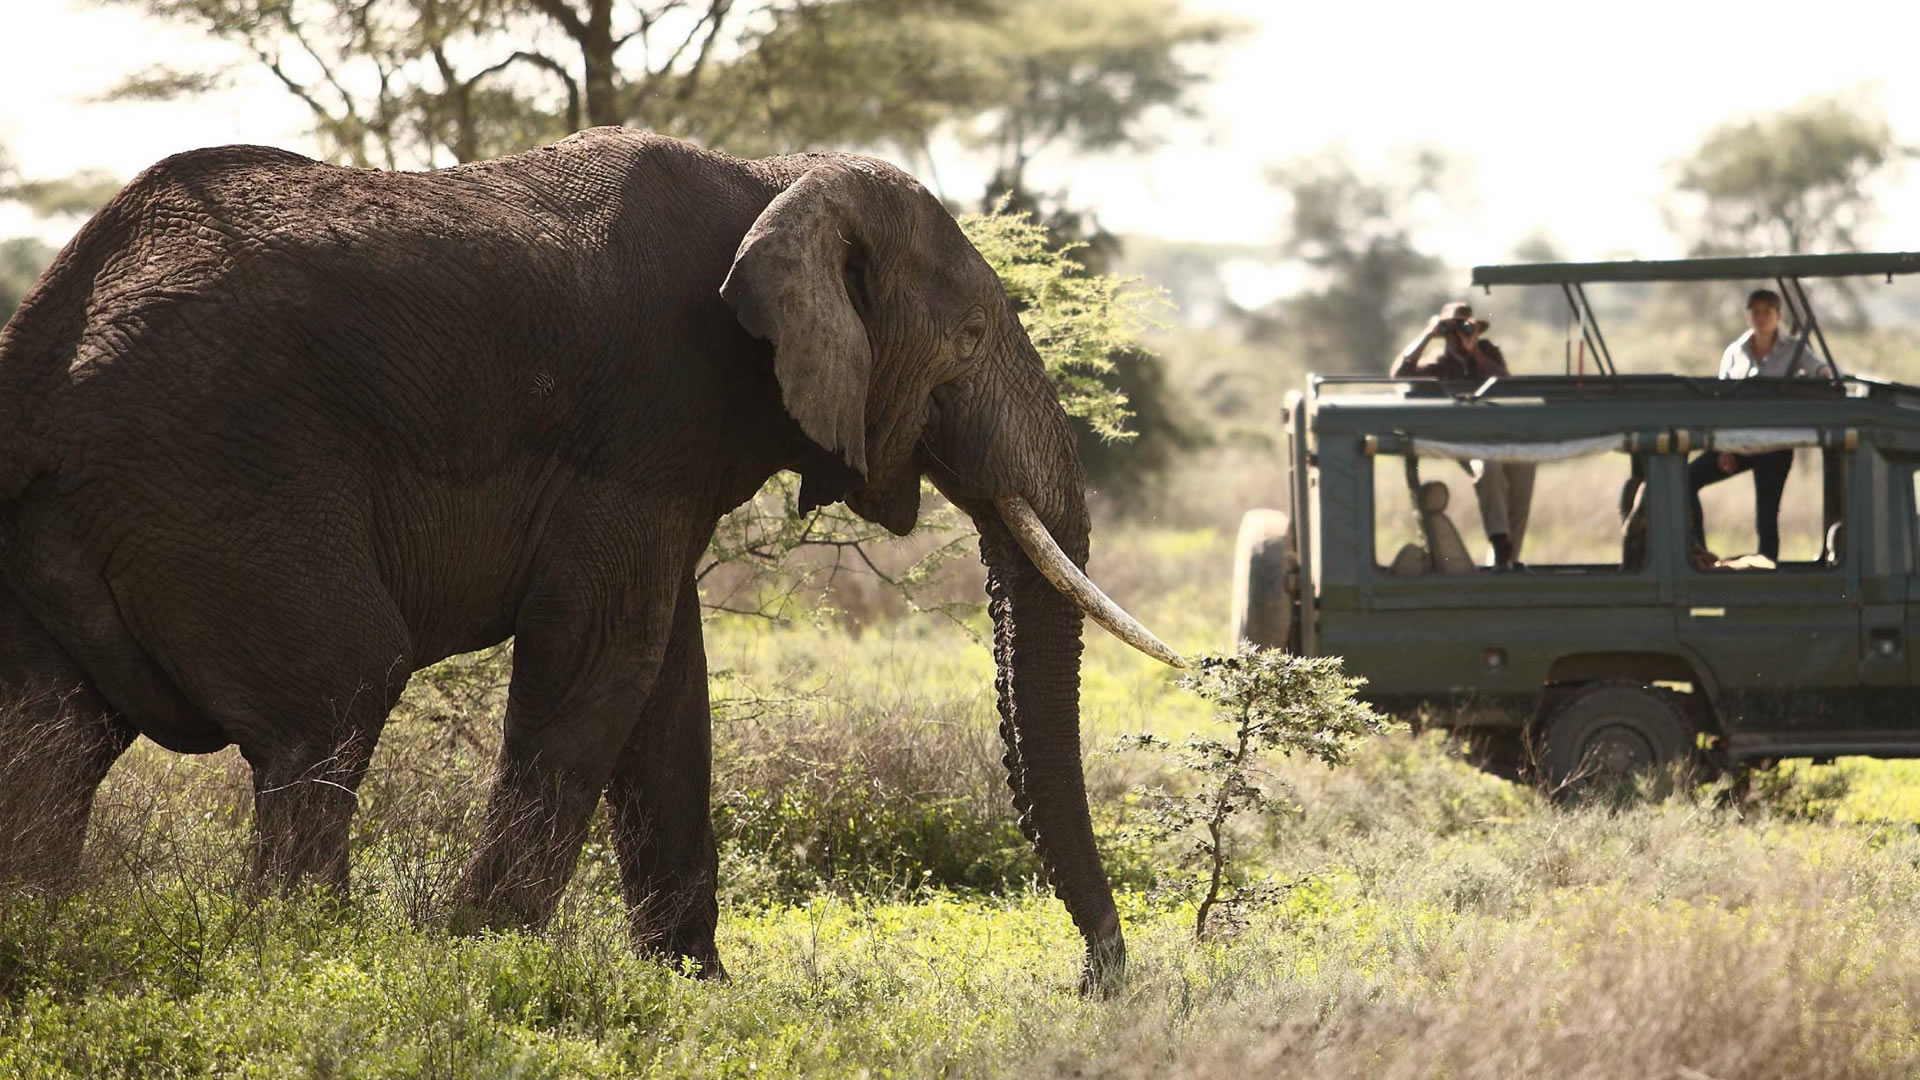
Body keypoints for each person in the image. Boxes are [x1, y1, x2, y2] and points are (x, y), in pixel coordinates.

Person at [1687, 288, 1830, 564]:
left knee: (1766, 514)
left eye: (1767, 312)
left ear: (1778, 316)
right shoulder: (1734, 351)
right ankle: (1699, 554)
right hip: (1739, 442)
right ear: (1748, 316)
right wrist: (1724, 446)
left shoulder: (1794, 348)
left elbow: (1820, 369)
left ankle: (1766, 567)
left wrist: (1825, 375)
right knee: (1688, 479)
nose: (1761, 317)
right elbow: (1722, 401)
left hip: (1775, 444)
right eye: (1756, 312)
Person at [1391, 302, 1532, 569]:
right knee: (1489, 466)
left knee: (1525, 466)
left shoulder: (1488, 353)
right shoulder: (1438, 363)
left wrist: (1475, 351)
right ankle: (1500, 542)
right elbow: (1399, 375)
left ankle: (1508, 562)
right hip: (1464, 437)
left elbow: (1505, 384)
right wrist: (1428, 334)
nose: (1458, 335)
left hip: (1497, 433)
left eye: (1465, 328)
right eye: (1452, 329)